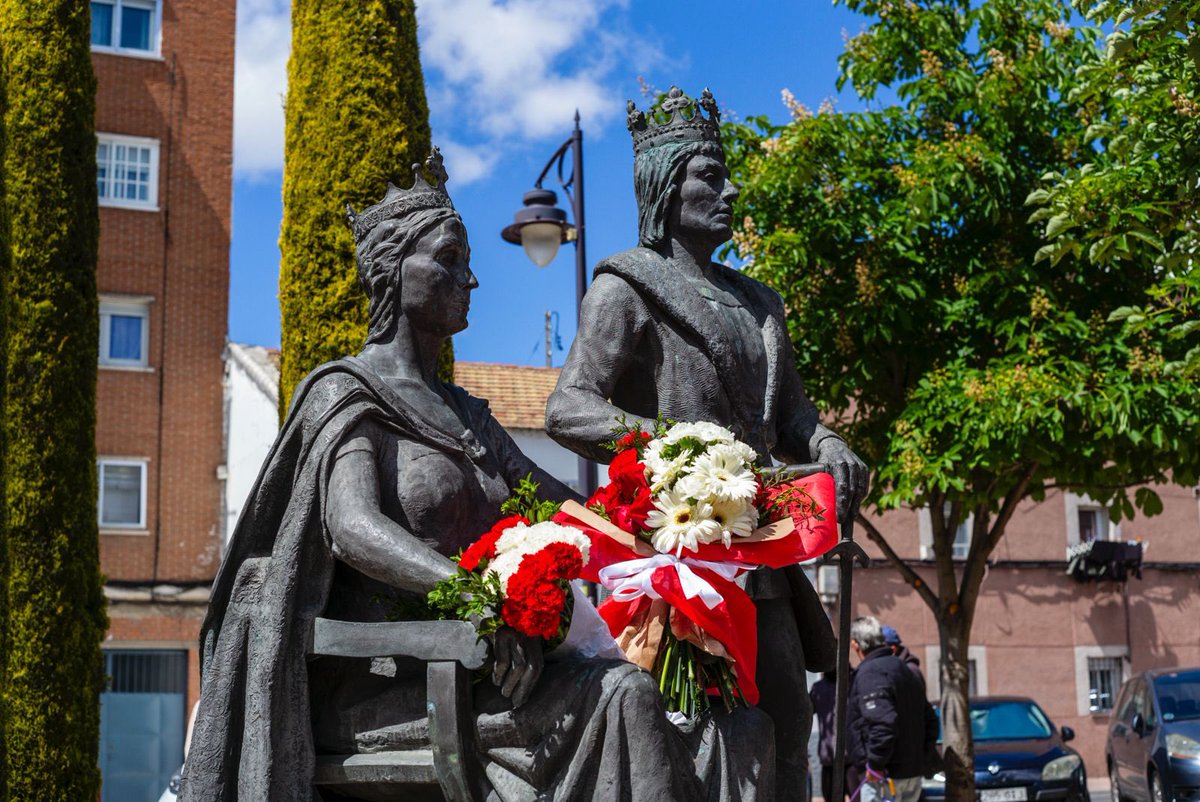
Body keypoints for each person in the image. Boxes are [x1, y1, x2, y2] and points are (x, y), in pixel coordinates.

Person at [179, 150, 709, 801]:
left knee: (644, 698)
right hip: (385, 683)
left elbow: (559, 505)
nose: (472, 279)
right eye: (448, 260)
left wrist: (666, 524)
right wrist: (479, 602)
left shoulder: (468, 416)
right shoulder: (348, 394)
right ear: (390, 273)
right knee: (622, 695)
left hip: (480, 669)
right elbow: (352, 528)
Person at [545, 85, 869, 797]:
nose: (728, 191)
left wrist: (831, 444)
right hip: (680, 559)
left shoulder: (760, 305)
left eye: (725, 175)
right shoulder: (626, 288)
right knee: (689, 736)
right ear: (664, 184)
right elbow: (568, 407)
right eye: (708, 176)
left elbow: (795, 423)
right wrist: (675, 449)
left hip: (766, 556)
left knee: (787, 728)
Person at [845, 617, 938, 802]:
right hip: (909, 773)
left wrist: (875, 764)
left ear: (856, 645)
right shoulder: (903, 669)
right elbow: (930, 720)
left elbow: (883, 724)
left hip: (884, 777)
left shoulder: (872, 673)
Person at [809, 669, 839, 801]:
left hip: (851, 757)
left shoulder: (851, 682)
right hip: (828, 757)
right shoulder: (818, 689)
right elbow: (805, 715)